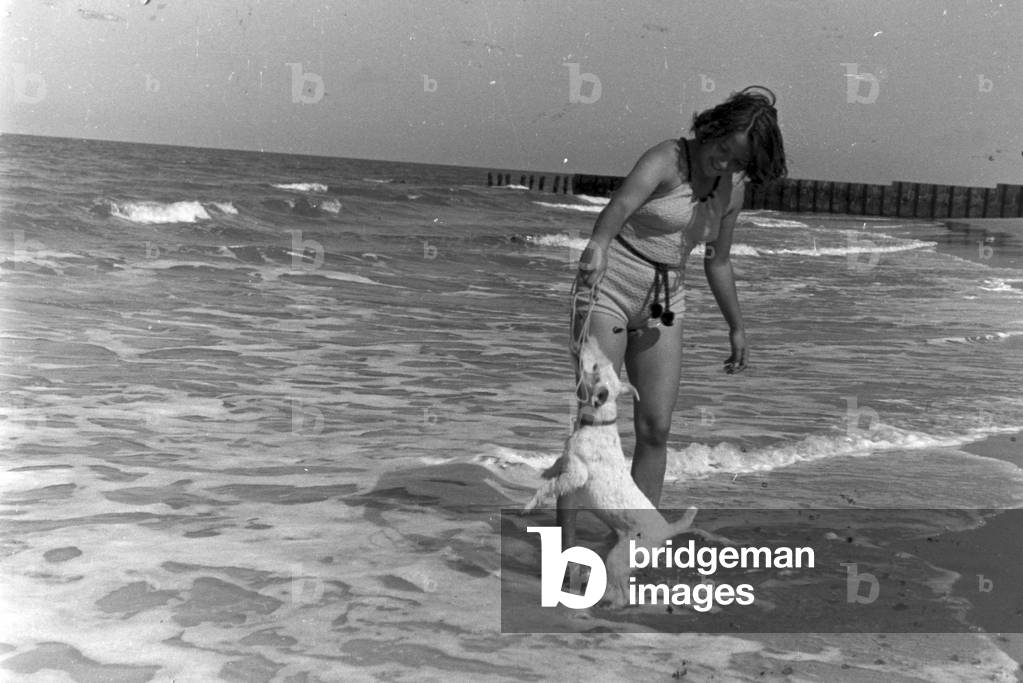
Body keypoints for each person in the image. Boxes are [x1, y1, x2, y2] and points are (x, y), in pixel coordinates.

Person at [561, 86, 787, 547]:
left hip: (665, 301)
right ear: (713, 128)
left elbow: (717, 260)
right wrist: (597, 247)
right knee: (594, 423)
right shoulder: (667, 158)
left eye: (738, 162)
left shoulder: (732, 191)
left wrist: (737, 325)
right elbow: (620, 206)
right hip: (610, 287)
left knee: (656, 428)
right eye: (723, 150)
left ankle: (635, 543)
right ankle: (563, 548)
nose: (724, 165)